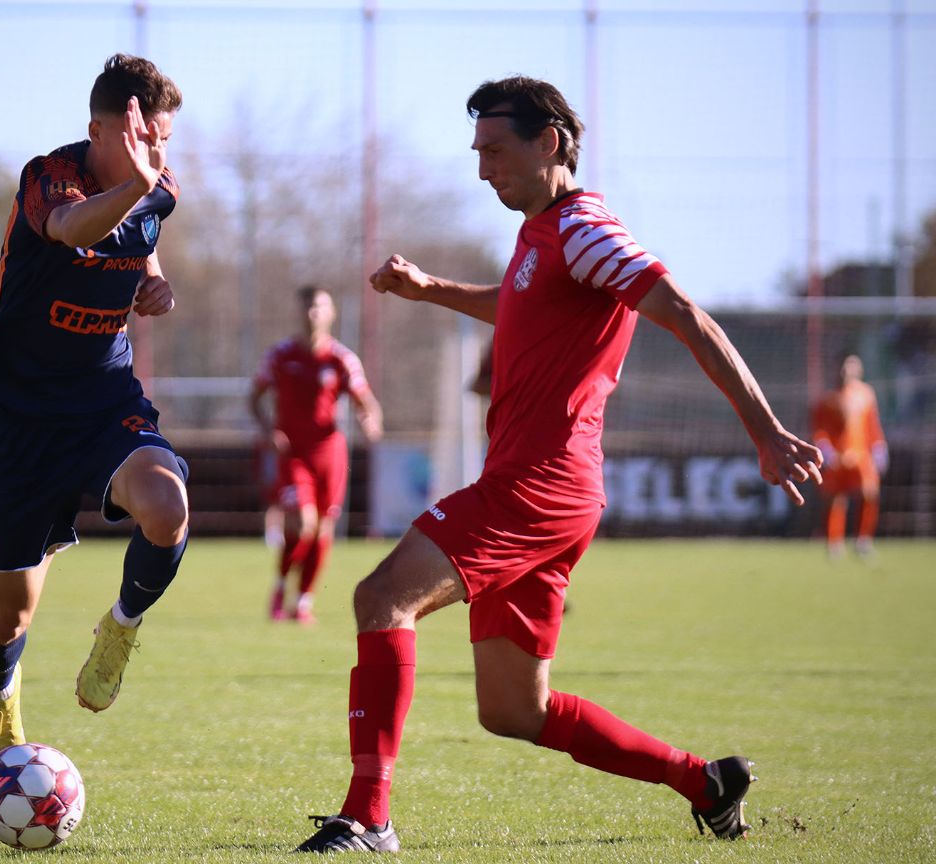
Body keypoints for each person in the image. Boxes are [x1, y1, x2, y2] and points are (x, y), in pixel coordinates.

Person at [295, 75, 823, 853]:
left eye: (495, 150)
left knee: (382, 597)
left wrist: (767, 431)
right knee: (515, 711)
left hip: (538, 486)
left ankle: (368, 817)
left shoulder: (584, 227)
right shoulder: (542, 234)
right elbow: (519, 302)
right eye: (476, 152)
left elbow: (685, 314)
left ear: (549, 143)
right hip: (543, 490)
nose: (483, 169)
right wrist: (430, 289)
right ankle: (705, 783)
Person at [0, 54, 189, 762]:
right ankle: (0, 697)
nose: (157, 152)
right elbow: (73, 230)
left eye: (163, 140)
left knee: (168, 506)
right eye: (144, 136)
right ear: (99, 130)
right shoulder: (49, 178)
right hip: (24, 414)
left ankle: (121, 625)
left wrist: (154, 282)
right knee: (9, 616)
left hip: (103, 397)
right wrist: (137, 184)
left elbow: (141, 236)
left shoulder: (157, 188)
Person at [250, 286, 383, 624]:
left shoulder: (341, 359)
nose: (313, 313)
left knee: (323, 529)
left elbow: (367, 403)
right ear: (299, 311)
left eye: (320, 307)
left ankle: (303, 603)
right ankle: (281, 586)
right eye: (308, 306)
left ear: (331, 313)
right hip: (293, 453)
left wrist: (370, 421)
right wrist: (268, 430)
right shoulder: (281, 355)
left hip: (330, 454)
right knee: (303, 522)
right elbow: (254, 398)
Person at [812, 353, 888, 557]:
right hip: (838, 458)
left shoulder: (866, 395)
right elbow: (819, 429)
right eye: (843, 366)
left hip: (861, 456)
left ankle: (863, 540)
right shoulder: (828, 398)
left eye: (851, 366)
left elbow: (872, 426)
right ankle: (834, 542)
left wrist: (879, 447)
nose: (846, 371)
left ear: (859, 370)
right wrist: (826, 450)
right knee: (835, 500)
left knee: (869, 494)